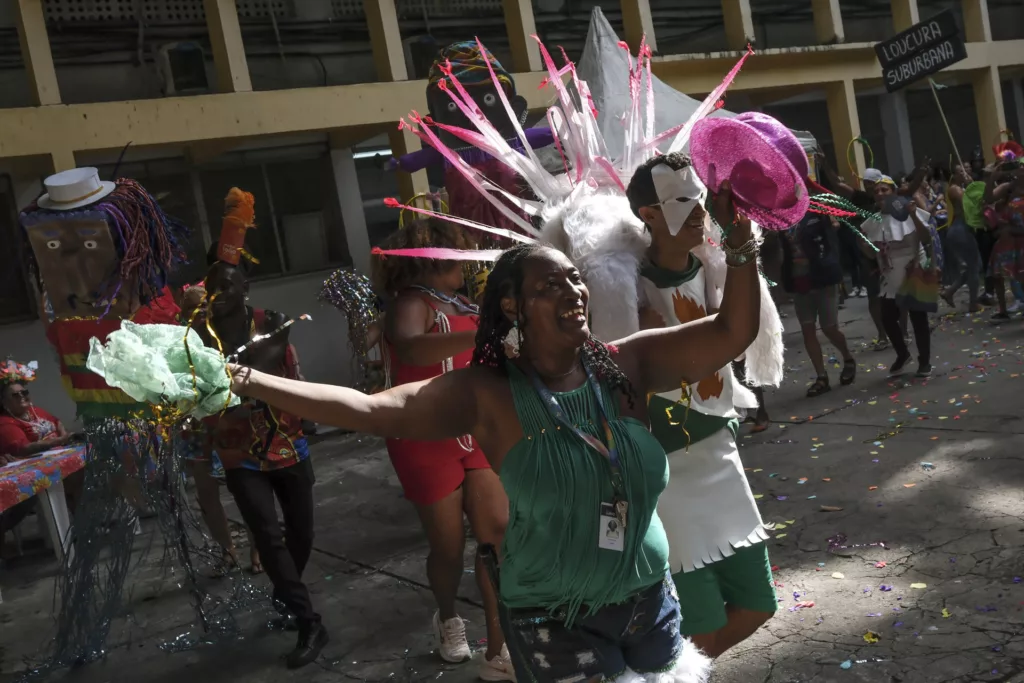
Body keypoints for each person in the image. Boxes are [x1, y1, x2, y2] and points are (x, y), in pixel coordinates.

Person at [224, 181, 760, 683]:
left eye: (575, 278)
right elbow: (368, 410)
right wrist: (246, 378)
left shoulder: (628, 364)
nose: (574, 290)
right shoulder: (488, 393)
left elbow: (732, 332)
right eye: (551, 285)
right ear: (513, 306)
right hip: (555, 620)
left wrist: (741, 248)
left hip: (650, 601)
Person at [627, 153, 777, 658]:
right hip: (667, 468)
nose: (699, 211)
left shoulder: (717, 268)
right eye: (683, 200)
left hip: (720, 452)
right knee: (700, 626)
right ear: (649, 214)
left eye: (700, 198)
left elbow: (737, 335)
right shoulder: (623, 288)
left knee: (759, 603)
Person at [372, 219, 513, 680]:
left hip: (475, 429)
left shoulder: (463, 302)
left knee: (495, 534)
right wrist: (482, 334)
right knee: (448, 548)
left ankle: (499, 644)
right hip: (424, 434)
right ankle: (449, 615)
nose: (466, 262)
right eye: (457, 255)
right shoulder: (411, 303)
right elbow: (411, 349)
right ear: (433, 260)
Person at [200, 189, 327, 669]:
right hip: (237, 450)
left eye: (227, 287)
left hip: (288, 441)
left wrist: (308, 417)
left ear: (245, 287)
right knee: (266, 534)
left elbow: (288, 372)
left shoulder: (273, 323)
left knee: (302, 534)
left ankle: (287, 596)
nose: (219, 295)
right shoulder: (197, 336)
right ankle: (309, 621)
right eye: (213, 288)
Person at [860, 176, 934, 377]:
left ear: (893, 192)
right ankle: (903, 354)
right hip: (890, 274)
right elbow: (871, 254)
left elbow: (926, 239)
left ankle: (924, 361)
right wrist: (864, 245)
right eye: (876, 191)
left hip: (913, 270)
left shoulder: (910, 212)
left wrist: (913, 216)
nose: (880, 194)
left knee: (918, 319)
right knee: (888, 318)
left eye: (885, 190)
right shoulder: (872, 221)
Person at [779, 211, 857, 396]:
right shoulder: (781, 219)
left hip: (823, 278)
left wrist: (831, 220)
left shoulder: (816, 213)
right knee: (807, 330)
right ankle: (821, 377)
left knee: (829, 327)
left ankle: (848, 358)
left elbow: (831, 230)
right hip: (799, 282)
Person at [820, 162, 890, 349]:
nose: (869, 187)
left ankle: (901, 331)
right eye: (866, 183)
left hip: (890, 253)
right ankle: (883, 334)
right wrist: (825, 163)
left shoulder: (889, 200)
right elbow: (837, 184)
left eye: (872, 183)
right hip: (868, 254)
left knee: (895, 296)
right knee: (874, 296)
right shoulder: (859, 198)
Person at [941, 164, 983, 313]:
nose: (964, 173)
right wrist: (972, 187)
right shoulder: (955, 189)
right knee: (973, 266)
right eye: (960, 172)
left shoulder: (965, 187)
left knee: (976, 266)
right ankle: (973, 303)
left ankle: (950, 291)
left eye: (965, 170)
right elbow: (969, 205)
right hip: (960, 229)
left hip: (966, 228)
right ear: (954, 175)